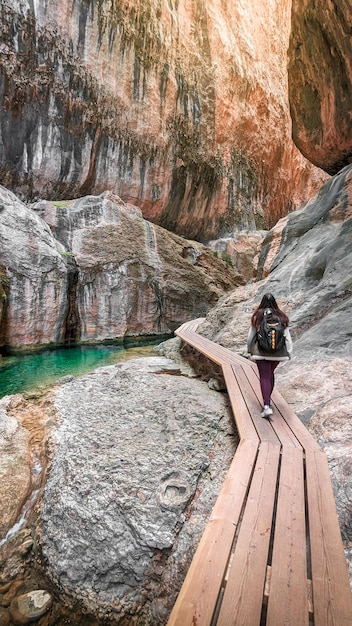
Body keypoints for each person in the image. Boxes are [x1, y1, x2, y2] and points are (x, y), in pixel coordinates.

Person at [247, 293, 292, 418]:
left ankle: (266, 406)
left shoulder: (258, 316)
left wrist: (249, 348)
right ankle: (268, 400)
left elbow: (251, 335)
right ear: (274, 302)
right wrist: (289, 351)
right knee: (270, 374)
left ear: (262, 302)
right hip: (278, 352)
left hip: (261, 352)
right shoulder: (281, 316)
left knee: (264, 377)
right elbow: (287, 336)